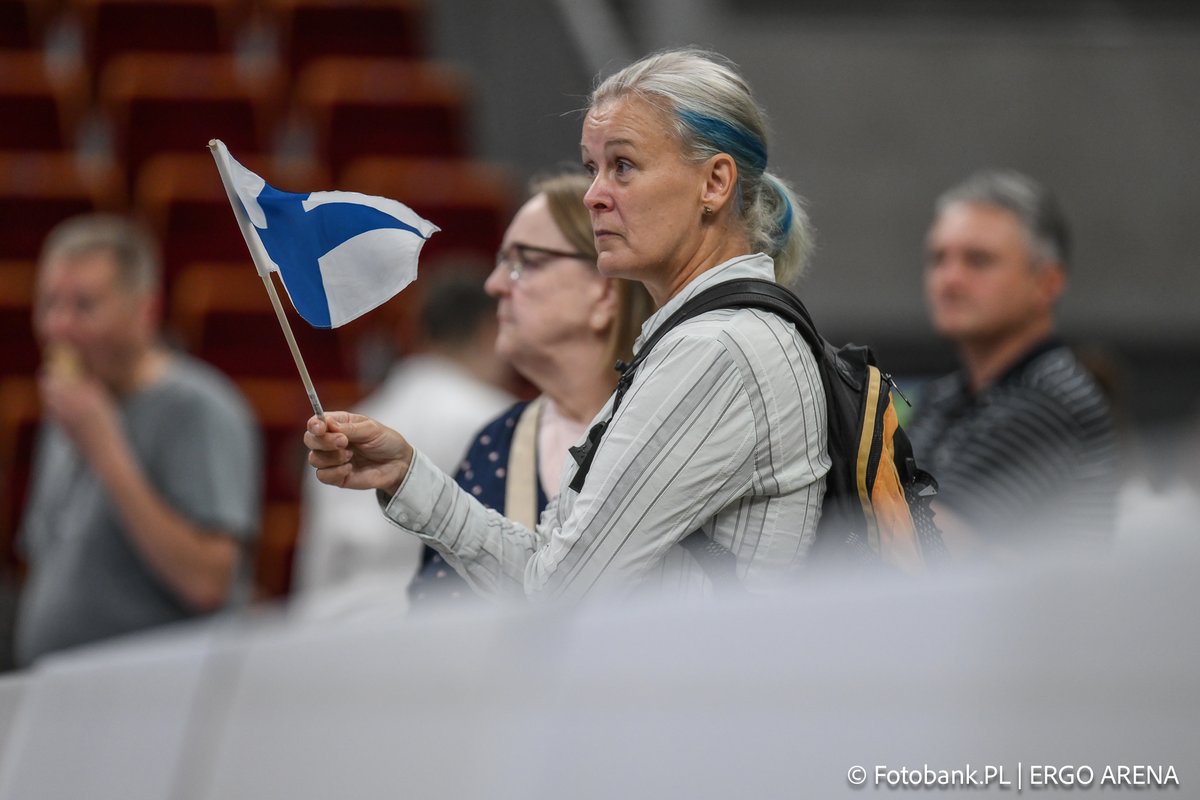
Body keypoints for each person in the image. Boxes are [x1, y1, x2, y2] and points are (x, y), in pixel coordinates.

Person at [306, 47, 830, 602]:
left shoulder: (717, 349)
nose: (593, 196)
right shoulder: (701, 340)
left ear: (715, 183)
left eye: (623, 166)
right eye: (592, 168)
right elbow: (550, 575)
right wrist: (407, 474)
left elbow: (557, 598)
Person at [14, 214, 261, 666]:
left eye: (83, 306)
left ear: (144, 310)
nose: (58, 328)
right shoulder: (74, 407)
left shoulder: (197, 410)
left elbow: (207, 582)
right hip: (64, 697)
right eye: (49, 303)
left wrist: (105, 447)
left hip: (154, 703)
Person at [408, 171, 654, 607]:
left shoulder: (674, 424)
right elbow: (434, 621)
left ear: (602, 293)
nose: (494, 284)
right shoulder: (494, 443)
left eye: (522, 262)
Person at [906, 170, 1120, 558]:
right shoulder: (946, 394)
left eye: (978, 260)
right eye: (938, 259)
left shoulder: (1051, 401)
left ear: (1048, 283)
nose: (949, 279)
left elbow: (925, 545)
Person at [294, 269, 516, 615]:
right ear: (492, 330)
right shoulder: (500, 422)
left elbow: (318, 562)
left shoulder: (342, 425)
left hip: (337, 625)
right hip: (438, 629)